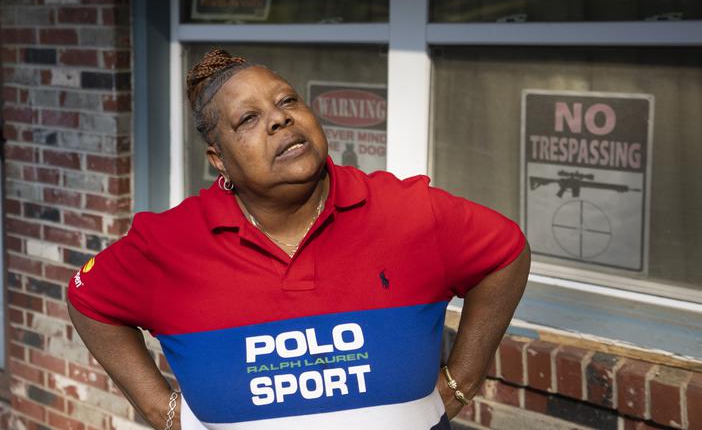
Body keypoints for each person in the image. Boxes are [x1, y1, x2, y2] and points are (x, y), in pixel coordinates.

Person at [67, 49, 531, 430]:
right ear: (218, 159)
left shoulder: (408, 213)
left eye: (287, 101)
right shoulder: (170, 244)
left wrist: (463, 377)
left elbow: (505, 252)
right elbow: (88, 300)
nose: (279, 120)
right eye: (248, 118)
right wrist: (161, 411)